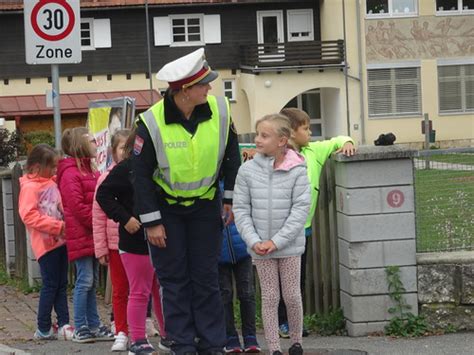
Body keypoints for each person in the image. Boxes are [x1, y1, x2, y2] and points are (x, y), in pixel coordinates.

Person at [131, 48, 241, 355]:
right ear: (184, 91)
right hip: (167, 211)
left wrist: (229, 198)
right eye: (203, 84)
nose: (210, 88)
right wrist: (151, 222)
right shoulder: (151, 122)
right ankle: (182, 344)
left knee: (206, 279)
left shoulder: (219, 110)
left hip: (206, 207)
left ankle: (212, 344)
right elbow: (139, 176)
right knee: (174, 280)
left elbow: (232, 157)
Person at [233, 114, 311, 355]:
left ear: (281, 141)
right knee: (269, 297)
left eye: (264, 135)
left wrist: (276, 242)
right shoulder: (247, 171)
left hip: (288, 247)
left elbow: (300, 210)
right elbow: (241, 209)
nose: (257, 139)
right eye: (257, 134)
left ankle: (296, 342)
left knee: (291, 295)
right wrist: (255, 241)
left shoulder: (298, 170)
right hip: (260, 249)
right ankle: (274, 348)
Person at [277, 108, 355, 338]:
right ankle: (281, 323)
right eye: (305, 128)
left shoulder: (314, 152)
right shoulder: (277, 155)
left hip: (303, 230)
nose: (310, 132)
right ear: (291, 132)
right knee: (279, 281)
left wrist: (348, 141)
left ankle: (294, 323)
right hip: (279, 230)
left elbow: (337, 140)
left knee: (297, 280)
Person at [96, 130, 169, 354]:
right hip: (134, 240)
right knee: (139, 290)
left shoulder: (163, 170)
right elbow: (103, 195)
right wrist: (125, 218)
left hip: (163, 239)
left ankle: (168, 336)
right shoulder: (125, 169)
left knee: (163, 290)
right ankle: (137, 339)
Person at [56, 127, 114, 343]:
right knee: (85, 280)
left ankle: (94, 324)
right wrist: (99, 223)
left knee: (91, 280)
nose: (95, 143)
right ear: (79, 145)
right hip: (82, 234)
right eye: (90, 140)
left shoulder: (90, 170)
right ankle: (81, 326)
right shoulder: (71, 173)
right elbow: (77, 206)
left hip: (92, 234)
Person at [18, 144, 74, 341]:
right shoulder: (30, 188)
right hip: (46, 245)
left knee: (61, 283)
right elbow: (28, 216)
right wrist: (57, 226)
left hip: (61, 241)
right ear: (35, 168)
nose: (54, 171)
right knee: (51, 284)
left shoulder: (51, 182)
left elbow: (59, 204)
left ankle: (64, 323)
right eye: (51, 167)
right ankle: (43, 327)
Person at [93, 129, 131, 351]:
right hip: (115, 244)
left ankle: (139, 327)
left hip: (137, 243)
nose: (125, 152)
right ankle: (121, 331)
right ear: (113, 152)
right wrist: (101, 248)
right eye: (121, 148)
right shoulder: (106, 179)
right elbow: (97, 217)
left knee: (141, 288)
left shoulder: (140, 175)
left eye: (129, 147)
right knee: (119, 289)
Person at [218, 183, 260, 354]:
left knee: (247, 293)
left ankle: (251, 337)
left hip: (243, 248)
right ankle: (230, 337)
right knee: (224, 295)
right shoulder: (208, 185)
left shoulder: (238, 182)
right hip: (218, 252)